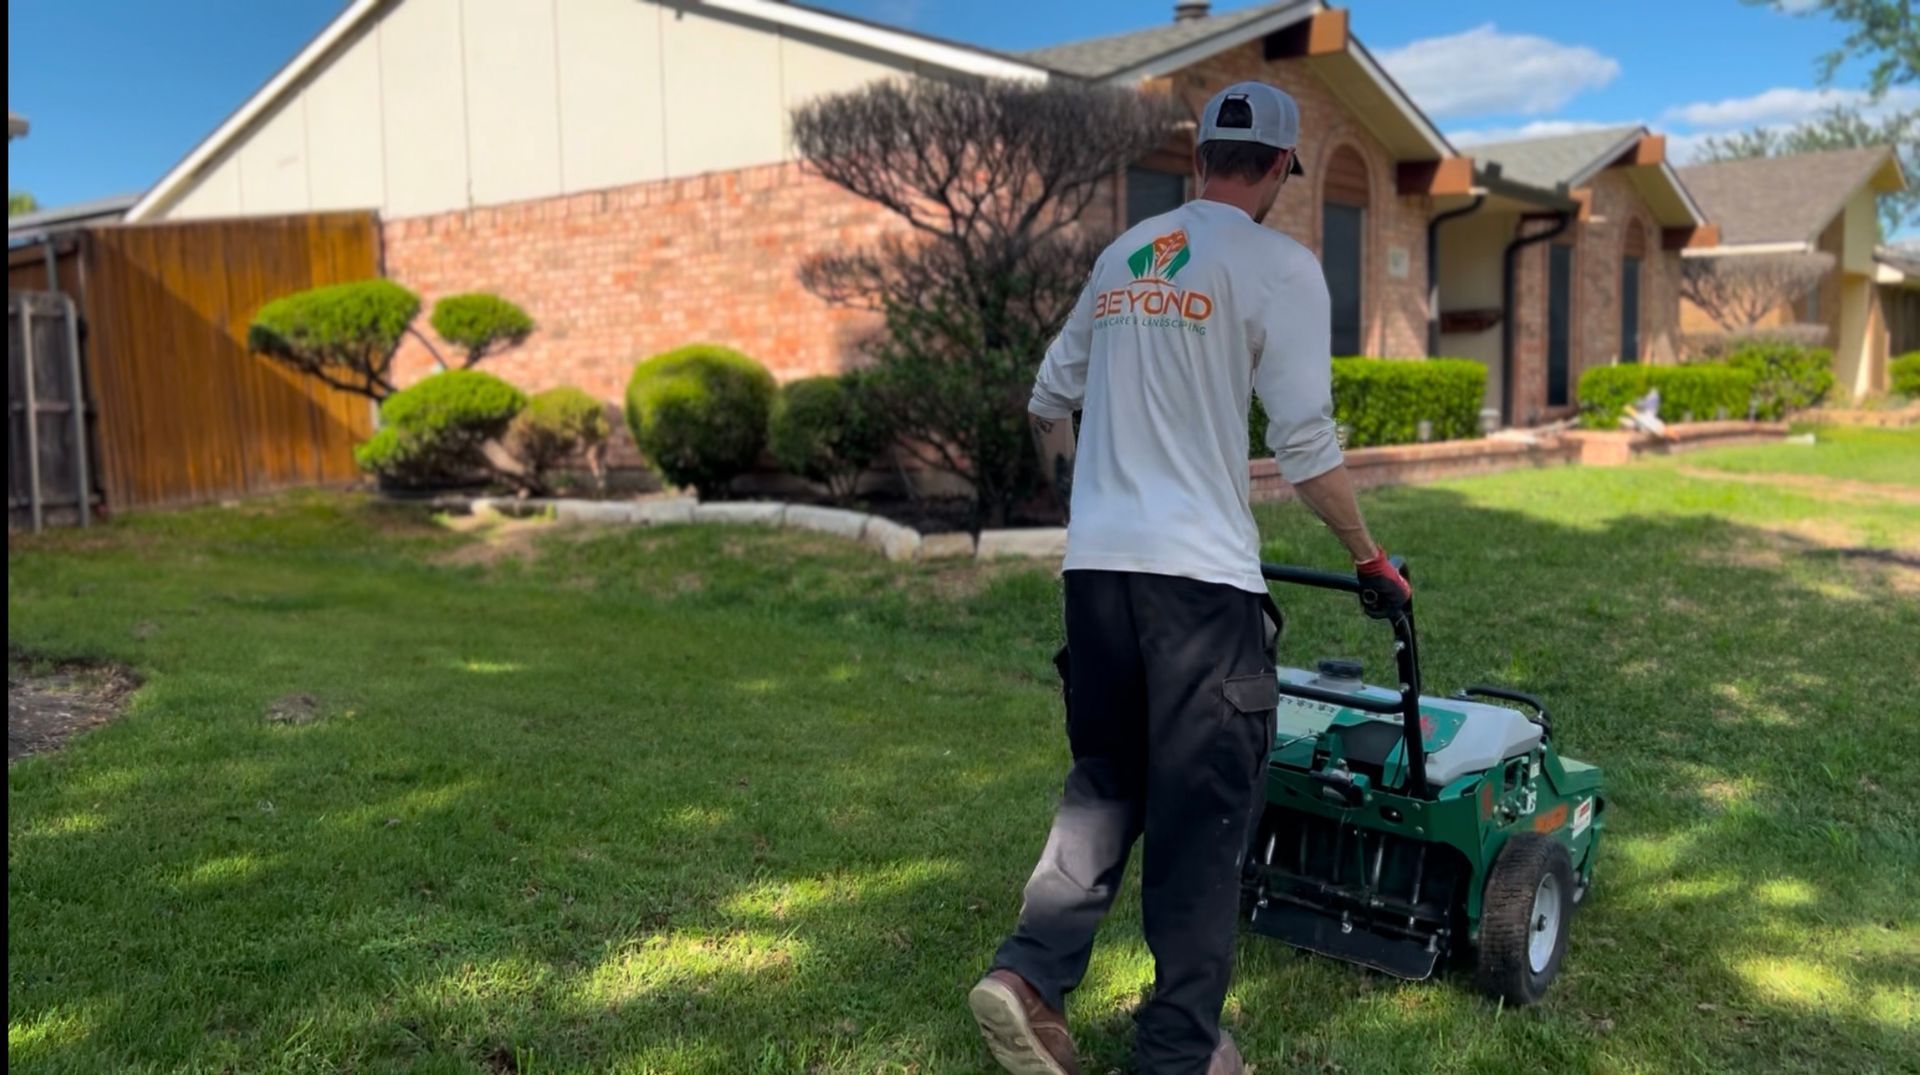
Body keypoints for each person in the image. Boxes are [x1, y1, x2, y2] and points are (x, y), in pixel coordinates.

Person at [967, 82, 1412, 1075]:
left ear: (1201, 153)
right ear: (1281, 173)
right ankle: (1178, 1052)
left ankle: (1028, 977)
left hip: (1099, 578)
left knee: (1106, 784)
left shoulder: (1126, 253)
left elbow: (1050, 400)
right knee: (1206, 812)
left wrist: (1084, 506)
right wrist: (1367, 558)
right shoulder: (1280, 268)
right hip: (1203, 588)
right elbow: (1304, 448)